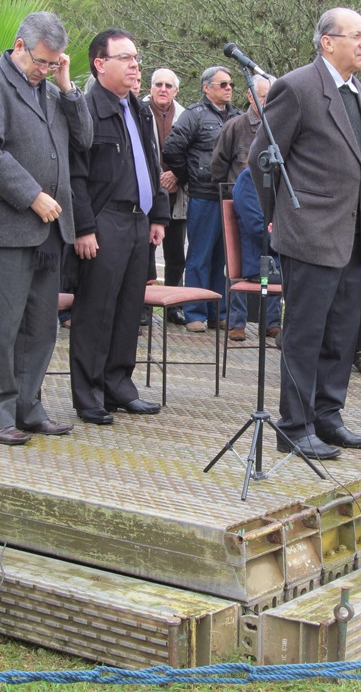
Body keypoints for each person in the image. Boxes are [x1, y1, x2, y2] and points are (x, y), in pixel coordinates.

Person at [249, 6, 361, 460]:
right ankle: (295, 425)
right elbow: (261, 158)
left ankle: (327, 414)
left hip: (348, 234)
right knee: (305, 333)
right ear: (327, 41)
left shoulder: (356, 89)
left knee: (341, 332)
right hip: (307, 233)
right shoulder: (298, 87)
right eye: (356, 36)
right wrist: (279, 216)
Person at [0, 11, 93, 445]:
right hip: (8, 225)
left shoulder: (54, 92)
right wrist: (31, 194)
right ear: (19, 46)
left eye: (54, 63)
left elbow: (85, 139)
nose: (45, 70)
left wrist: (67, 84)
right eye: (41, 61)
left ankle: (28, 405)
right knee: (0, 326)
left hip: (51, 231)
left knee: (41, 325)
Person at [68, 29, 168, 426]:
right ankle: (89, 395)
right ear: (99, 64)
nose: (134, 66)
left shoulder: (139, 109)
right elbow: (75, 175)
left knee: (129, 308)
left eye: (136, 58)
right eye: (124, 58)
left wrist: (158, 214)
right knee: (96, 310)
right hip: (103, 219)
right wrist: (84, 227)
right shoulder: (88, 109)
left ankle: (119, 385)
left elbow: (152, 162)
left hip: (137, 221)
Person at [162, 66, 242, 333]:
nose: (229, 88)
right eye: (222, 84)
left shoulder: (237, 116)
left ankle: (216, 312)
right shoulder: (194, 115)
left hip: (230, 197)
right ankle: (194, 312)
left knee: (222, 259)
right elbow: (172, 148)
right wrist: (187, 177)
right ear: (206, 87)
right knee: (199, 256)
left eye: (230, 84)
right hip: (204, 195)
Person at [211, 74, 275, 342]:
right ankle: (237, 320)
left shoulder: (278, 126)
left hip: (271, 213)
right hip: (245, 202)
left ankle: (272, 322)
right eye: (263, 96)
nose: (268, 102)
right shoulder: (236, 126)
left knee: (277, 258)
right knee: (250, 254)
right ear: (251, 96)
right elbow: (217, 165)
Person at [147, 69, 188, 324]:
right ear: (150, 87)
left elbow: (195, 154)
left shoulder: (186, 116)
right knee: (144, 253)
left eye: (168, 85)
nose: (163, 89)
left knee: (176, 255)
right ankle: (143, 306)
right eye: (158, 84)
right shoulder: (137, 110)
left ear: (176, 90)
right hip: (146, 196)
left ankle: (174, 306)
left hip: (176, 196)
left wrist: (177, 175)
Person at [230, 167, 283, 340]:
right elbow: (256, 227)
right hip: (258, 265)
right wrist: (285, 241)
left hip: (276, 257)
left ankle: (272, 322)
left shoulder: (283, 176)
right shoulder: (249, 178)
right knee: (304, 276)